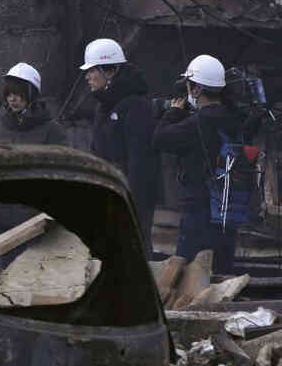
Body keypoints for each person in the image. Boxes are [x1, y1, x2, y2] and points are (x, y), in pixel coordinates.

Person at [154, 54, 247, 274]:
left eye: (189, 86)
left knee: (188, 271)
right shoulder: (234, 119)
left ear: (196, 90)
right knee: (222, 272)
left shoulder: (196, 123)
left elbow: (159, 139)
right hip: (227, 209)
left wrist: (174, 113)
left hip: (199, 209)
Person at [80, 37, 159, 249]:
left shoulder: (136, 106)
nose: (87, 76)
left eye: (92, 70)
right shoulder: (103, 106)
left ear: (110, 71)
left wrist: (130, 200)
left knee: (133, 250)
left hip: (130, 197)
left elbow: (140, 160)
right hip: (107, 191)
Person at [0, 62, 67, 146]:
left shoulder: (52, 130)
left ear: (32, 95)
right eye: (8, 94)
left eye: (18, 93)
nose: (12, 99)